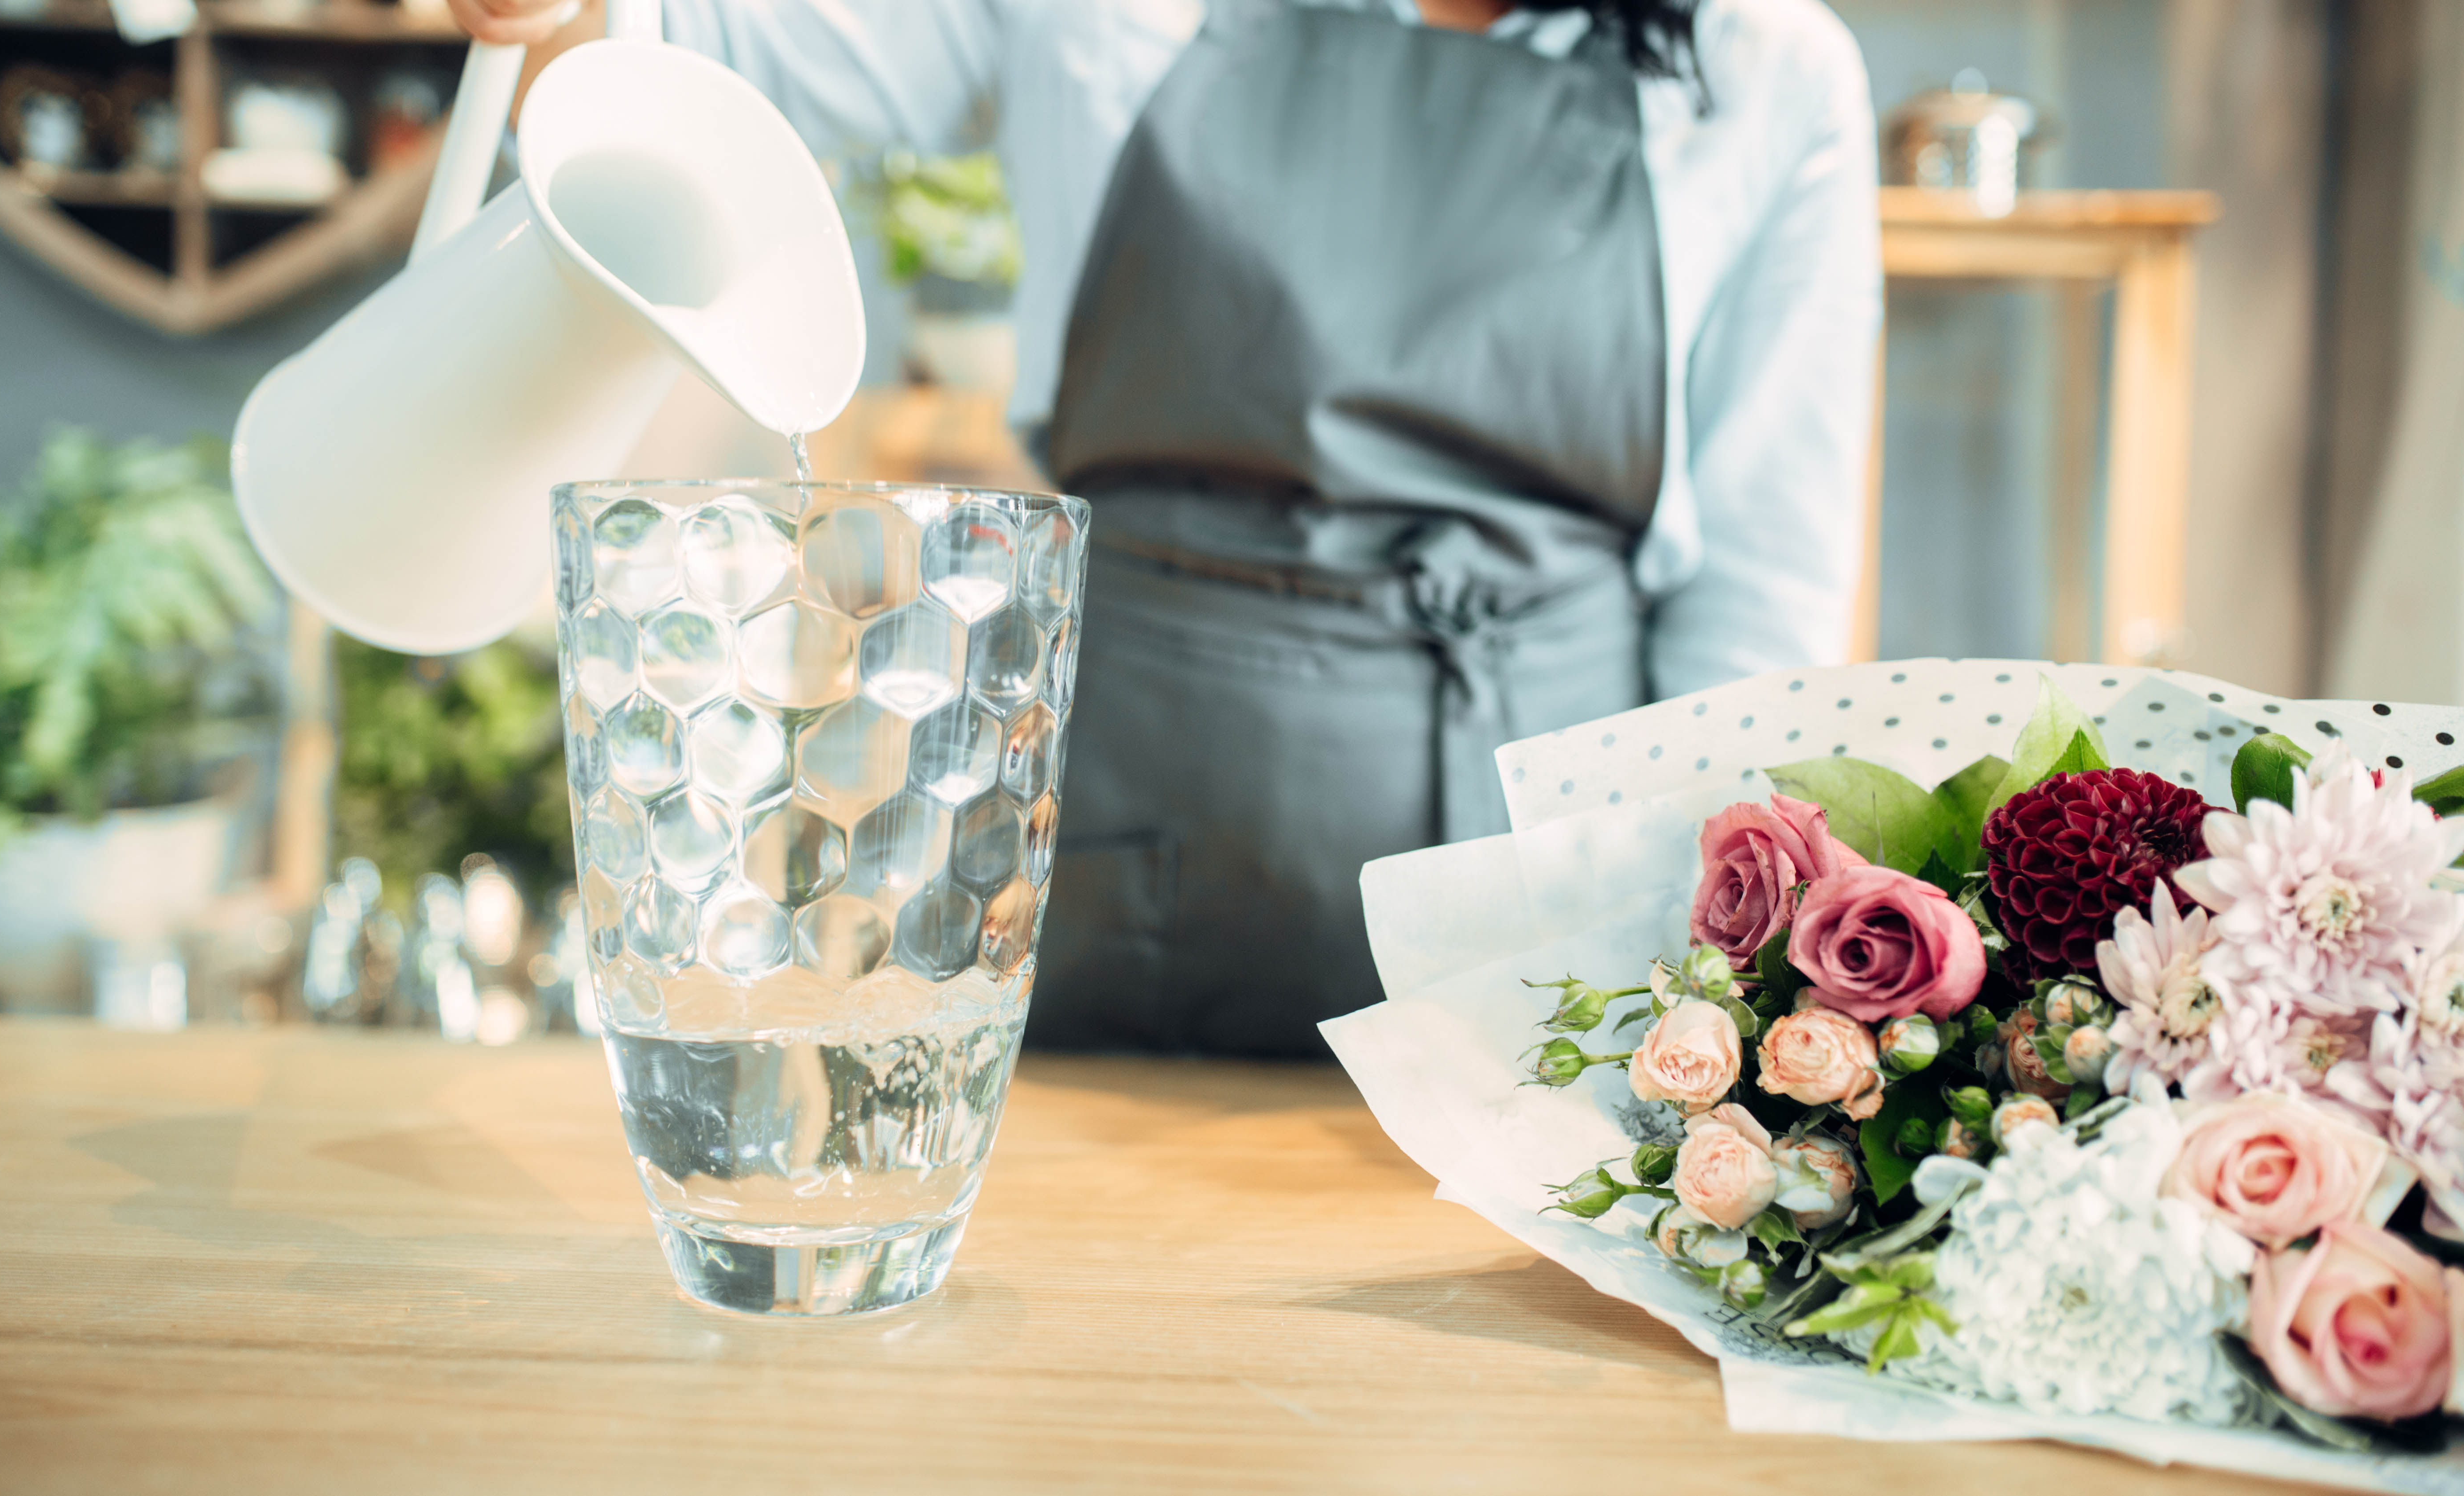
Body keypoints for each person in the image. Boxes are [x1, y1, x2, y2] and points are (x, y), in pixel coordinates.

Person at [451, 0, 1882, 1056]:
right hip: (1085, 860)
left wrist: (1704, 1013)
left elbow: (1756, 622)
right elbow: (676, 51)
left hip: (1542, 938)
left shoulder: (1768, 72)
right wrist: (567, 21)